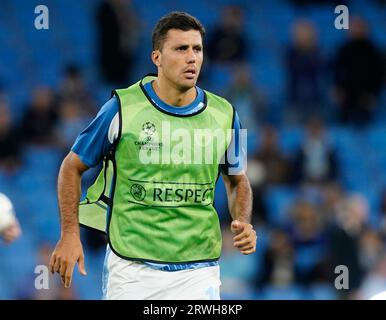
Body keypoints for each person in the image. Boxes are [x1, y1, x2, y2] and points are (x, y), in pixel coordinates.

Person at [49, 12, 256, 300]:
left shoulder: (226, 114)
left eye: (197, 49)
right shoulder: (121, 108)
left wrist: (243, 220)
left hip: (198, 270)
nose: (192, 57)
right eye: (181, 49)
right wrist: (70, 234)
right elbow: (71, 167)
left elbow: (238, 179)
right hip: (133, 269)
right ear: (156, 57)